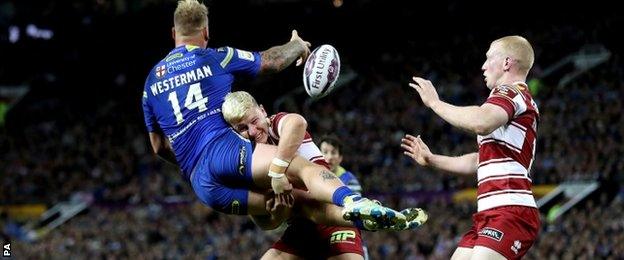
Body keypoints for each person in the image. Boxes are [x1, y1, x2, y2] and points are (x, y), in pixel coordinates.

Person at [142, 0, 406, 231]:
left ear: (174, 33)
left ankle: (361, 219)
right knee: (300, 170)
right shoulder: (216, 58)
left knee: (296, 206)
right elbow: (272, 61)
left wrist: (191, 159)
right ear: (206, 32)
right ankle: (352, 201)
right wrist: (297, 45)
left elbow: (158, 147)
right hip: (224, 150)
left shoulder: (150, 83)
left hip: (202, 183)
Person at [221, 92, 412, 259]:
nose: (253, 132)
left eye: (254, 121)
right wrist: (278, 213)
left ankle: (357, 208)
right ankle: (365, 217)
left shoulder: (276, 124)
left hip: (332, 214)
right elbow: (266, 223)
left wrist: (277, 172)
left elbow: (297, 122)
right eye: (243, 128)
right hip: (301, 227)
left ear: (263, 111)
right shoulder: (242, 163)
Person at [402, 35, 540, 259]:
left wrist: (435, 103)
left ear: (506, 63)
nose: (483, 66)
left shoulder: (511, 92)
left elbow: (480, 122)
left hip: (509, 209)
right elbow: (478, 161)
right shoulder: (510, 103)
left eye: (488, 58)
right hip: (489, 213)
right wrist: (432, 159)